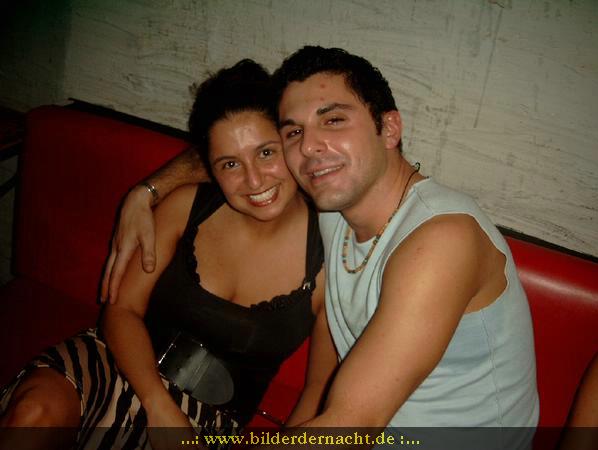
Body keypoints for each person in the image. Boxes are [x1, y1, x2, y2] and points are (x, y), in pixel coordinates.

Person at [103, 46, 539, 448]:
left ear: (389, 128)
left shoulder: (442, 238)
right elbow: (227, 151)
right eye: (294, 132)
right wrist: (145, 192)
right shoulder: (333, 204)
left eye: (333, 120)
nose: (309, 146)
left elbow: (353, 422)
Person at [0, 60, 336, 450]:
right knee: (33, 415)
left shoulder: (329, 262)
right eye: (230, 164)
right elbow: (122, 310)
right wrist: (158, 405)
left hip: (207, 418)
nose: (254, 179)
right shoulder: (185, 207)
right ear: (210, 168)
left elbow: (319, 389)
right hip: (115, 363)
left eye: (266, 152)